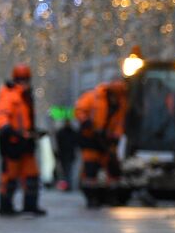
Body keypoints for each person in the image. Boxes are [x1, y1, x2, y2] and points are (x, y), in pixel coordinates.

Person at [0, 63, 45, 216]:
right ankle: (6, 207)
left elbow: (25, 119)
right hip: (13, 143)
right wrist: (8, 129)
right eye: (22, 79)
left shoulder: (25, 95)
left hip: (25, 142)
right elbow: (2, 115)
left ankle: (30, 206)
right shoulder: (11, 94)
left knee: (31, 176)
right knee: (10, 177)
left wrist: (32, 132)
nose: (24, 82)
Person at [74, 80, 127, 208]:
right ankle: (91, 197)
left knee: (112, 168)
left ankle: (111, 196)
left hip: (106, 140)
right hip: (90, 139)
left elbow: (120, 123)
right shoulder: (93, 97)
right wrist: (86, 122)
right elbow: (79, 110)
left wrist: (115, 137)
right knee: (91, 169)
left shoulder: (121, 104)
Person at [53, 118, 78, 191]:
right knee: (65, 171)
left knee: (68, 170)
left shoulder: (69, 132)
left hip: (68, 154)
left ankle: (67, 185)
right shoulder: (64, 132)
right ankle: (66, 185)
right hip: (64, 155)